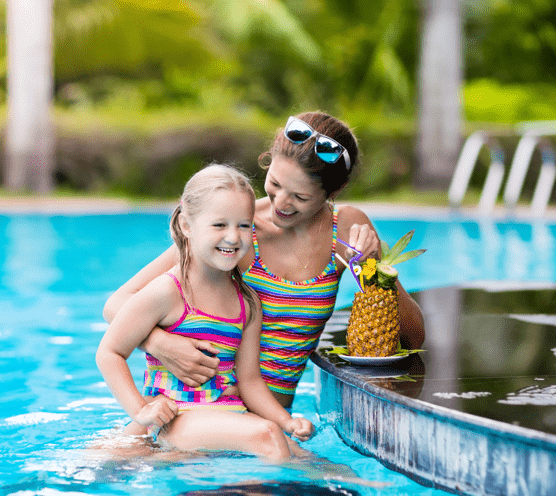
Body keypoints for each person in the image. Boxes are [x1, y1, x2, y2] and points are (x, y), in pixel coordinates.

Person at [103, 111, 425, 409]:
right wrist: (161, 345)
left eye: (300, 197)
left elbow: (413, 336)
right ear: (267, 162)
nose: (281, 204)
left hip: (273, 417)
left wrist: (374, 272)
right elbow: (118, 303)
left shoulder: (346, 229)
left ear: (334, 192)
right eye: (274, 184)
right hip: (206, 408)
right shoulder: (237, 229)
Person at [96, 164, 313, 462]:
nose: (234, 237)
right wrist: (141, 411)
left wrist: (286, 421)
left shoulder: (247, 303)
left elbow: (249, 381)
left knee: (304, 455)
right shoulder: (168, 291)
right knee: (268, 438)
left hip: (227, 412)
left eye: (244, 225)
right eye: (220, 225)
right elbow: (109, 351)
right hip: (178, 416)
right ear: (187, 226)